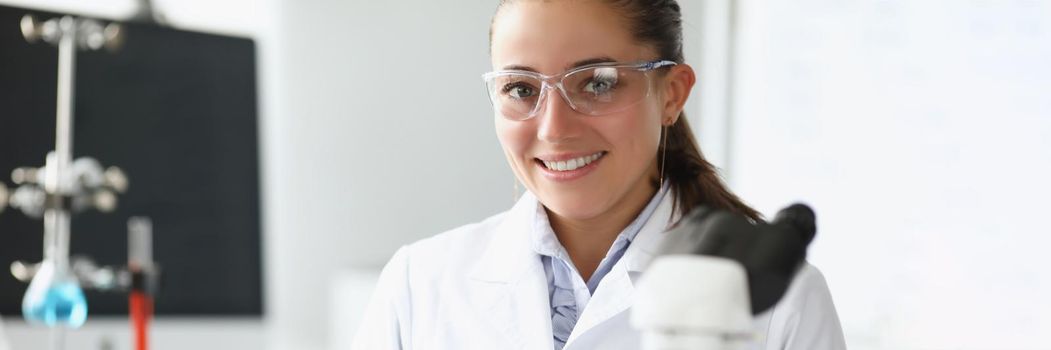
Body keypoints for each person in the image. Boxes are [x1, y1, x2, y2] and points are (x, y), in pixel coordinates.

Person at [351, 0, 847, 349]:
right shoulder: (421, 283)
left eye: (598, 83)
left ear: (671, 93)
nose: (554, 128)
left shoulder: (782, 298)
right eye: (521, 89)